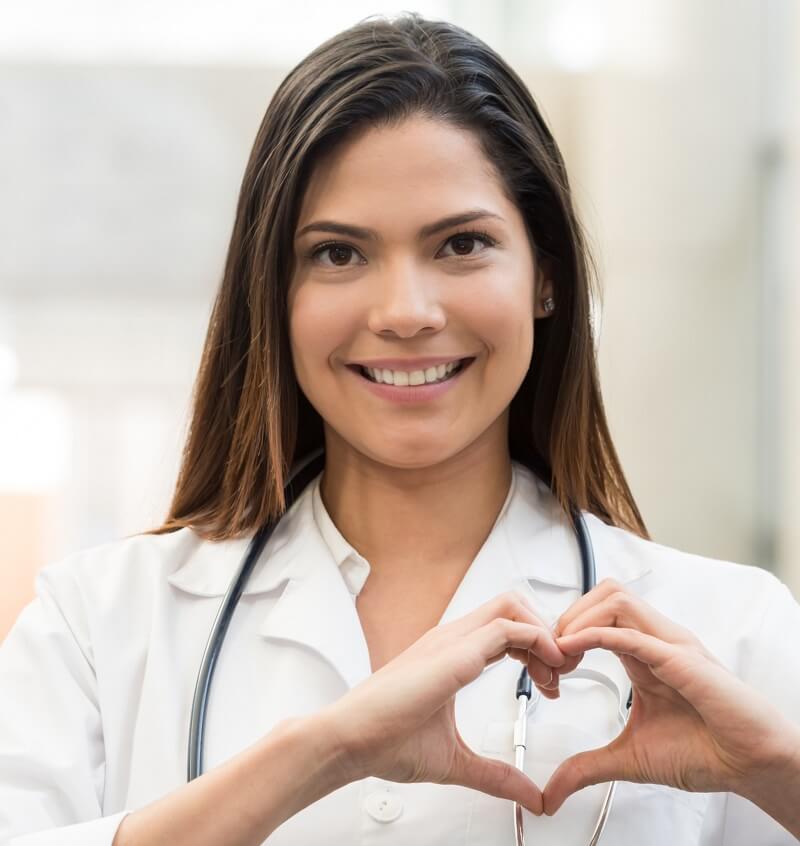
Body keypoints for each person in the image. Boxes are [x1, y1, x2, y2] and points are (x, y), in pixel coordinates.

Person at [0, 12, 798, 846]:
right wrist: (327, 748)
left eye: (461, 243)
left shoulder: (732, 630)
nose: (405, 314)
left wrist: (781, 771)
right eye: (338, 254)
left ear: (546, 280)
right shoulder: (97, 624)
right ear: (272, 294)